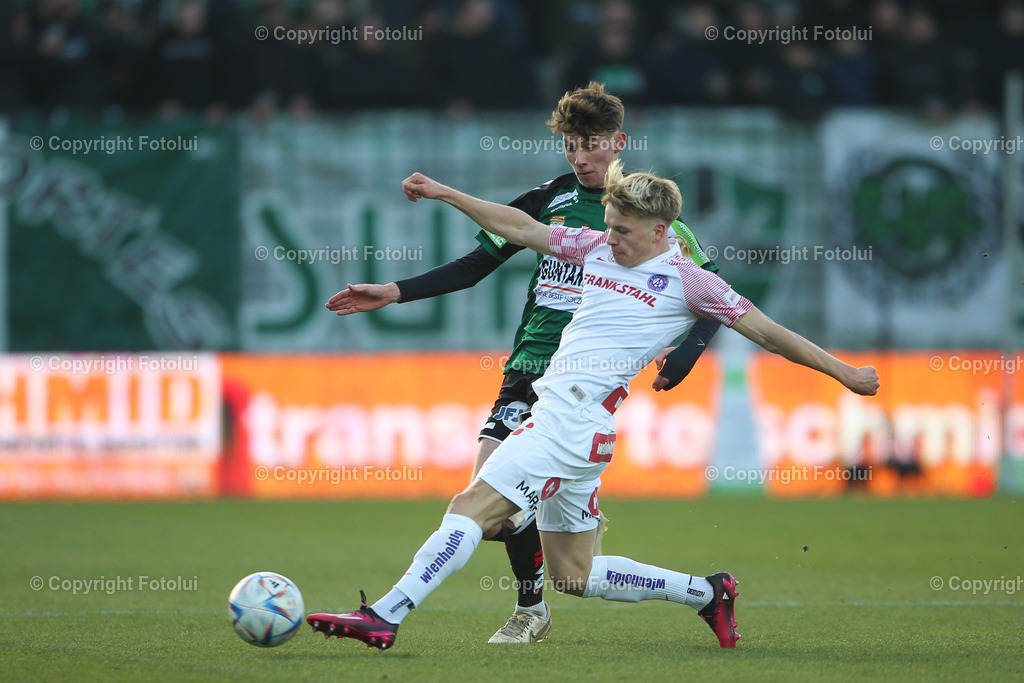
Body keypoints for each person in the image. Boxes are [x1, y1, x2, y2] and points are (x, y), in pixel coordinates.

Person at [307, 161, 880, 651]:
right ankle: (709, 592)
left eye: (624, 230)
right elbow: (521, 227)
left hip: (571, 420)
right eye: (608, 226)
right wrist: (446, 193)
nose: (611, 238)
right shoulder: (596, 247)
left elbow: (772, 333)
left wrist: (845, 372)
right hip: (581, 428)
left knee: (471, 504)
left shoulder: (690, 282)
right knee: (575, 576)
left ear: (663, 231)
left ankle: (386, 615)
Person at [325, 82, 721, 643]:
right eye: (571, 145)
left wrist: (687, 352)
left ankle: (524, 609)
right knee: (504, 518)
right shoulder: (548, 200)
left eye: (592, 143)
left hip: (583, 384)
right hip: (529, 368)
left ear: (618, 142)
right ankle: (544, 596)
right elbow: (473, 264)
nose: (581, 157)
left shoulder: (650, 219)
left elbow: (714, 293)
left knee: (486, 505)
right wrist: (394, 291)